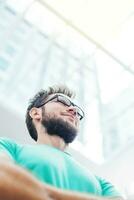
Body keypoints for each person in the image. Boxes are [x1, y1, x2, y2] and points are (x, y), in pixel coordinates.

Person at [0, 85, 124, 200]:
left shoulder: (101, 183)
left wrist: (29, 187)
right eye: (62, 101)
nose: (74, 110)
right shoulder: (8, 146)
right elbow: (3, 178)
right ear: (36, 113)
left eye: (78, 112)